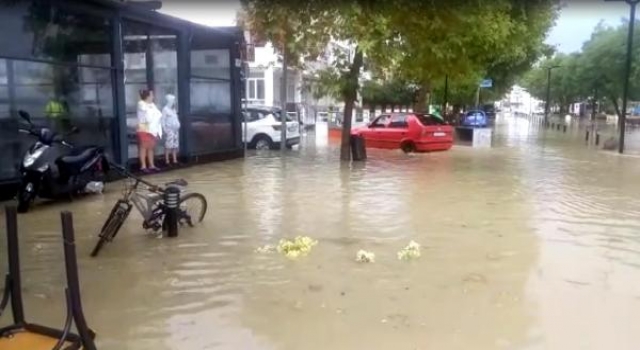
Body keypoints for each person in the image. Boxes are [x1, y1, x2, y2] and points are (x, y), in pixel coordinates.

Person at [136, 89, 162, 172]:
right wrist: (153, 111)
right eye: (151, 95)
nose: (153, 96)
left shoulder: (153, 105)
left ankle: (151, 165)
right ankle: (143, 166)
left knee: (151, 147)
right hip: (144, 127)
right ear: (147, 96)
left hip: (152, 128)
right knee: (143, 147)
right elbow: (148, 114)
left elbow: (158, 114)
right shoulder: (141, 103)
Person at [161, 94, 180, 166]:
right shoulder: (165, 109)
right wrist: (164, 129)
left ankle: (175, 160)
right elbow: (163, 120)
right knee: (168, 145)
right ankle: (167, 160)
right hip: (169, 130)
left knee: (175, 145)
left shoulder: (173, 110)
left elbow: (175, 119)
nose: (174, 102)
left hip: (175, 130)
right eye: (173, 100)